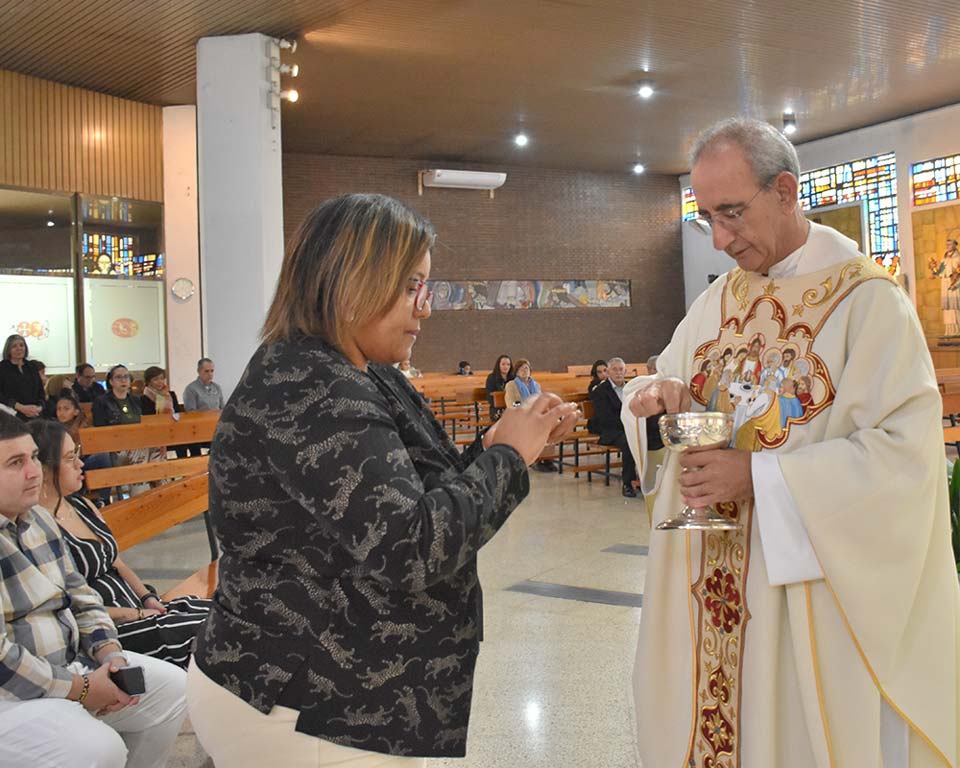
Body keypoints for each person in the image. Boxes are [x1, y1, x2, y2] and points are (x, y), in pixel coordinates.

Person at [185, 193, 578, 766]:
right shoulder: (313, 386)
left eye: (427, 287)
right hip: (308, 703)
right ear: (351, 281)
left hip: (336, 694)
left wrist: (499, 445)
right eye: (411, 286)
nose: (426, 307)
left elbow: (408, 494)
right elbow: (408, 546)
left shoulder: (353, 370)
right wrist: (506, 461)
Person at [621, 117, 960, 767]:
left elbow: (903, 458)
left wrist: (763, 479)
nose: (719, 240)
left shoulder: (867, 302)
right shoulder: (720, 299)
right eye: (706, 219)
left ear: (784, 191)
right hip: (712, 594)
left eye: (731, 214)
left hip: (803, 606)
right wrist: (657, 396)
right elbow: (673, 380)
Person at [0, 412, 188, 768]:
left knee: (173, 690)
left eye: (34, 458)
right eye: (15, 463)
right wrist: (81, 689)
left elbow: (82, 596)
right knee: (97, 748)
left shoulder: (38, 519)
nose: (33, 472)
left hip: (75, 666)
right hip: (12, 695)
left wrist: (111, 655)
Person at [29, 420, 210, 668]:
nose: (81, 464)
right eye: (71, 458)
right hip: (107, 630)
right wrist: (137, 614)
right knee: (204, 631)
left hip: (136, 607)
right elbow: (71, 608)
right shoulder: (37, 527)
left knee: (221, 611)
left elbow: (117, 561)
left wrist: (147, 598)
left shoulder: (82, 506)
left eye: (78, 454)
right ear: (45, 469)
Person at [93, 365, 156, 496]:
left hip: (137, 445)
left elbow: (145, 425)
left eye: (126, 377)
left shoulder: (136, 400)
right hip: (115, 449)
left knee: (158, 452)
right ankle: (140, 498)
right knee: (140, 453)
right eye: (119, 377)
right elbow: (100, 431)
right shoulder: (102, 402)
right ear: (111, 382)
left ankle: (163, 499)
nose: (123, 380)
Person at [587, 357, 639, 498]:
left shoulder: (631, 388)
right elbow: (606, 418)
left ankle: (643, 480)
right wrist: (629, 425)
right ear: (608, 372)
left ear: (625, 371)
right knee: (629, 442)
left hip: (630, 428)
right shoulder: (600, 391)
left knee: (649, 438)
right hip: (611, 431)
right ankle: (628, 483)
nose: (618, 373)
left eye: (621, 369)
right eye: (614, 369)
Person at [0, 334, 45, 420]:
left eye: (21, 345)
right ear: (8, 350)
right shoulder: (2, 368)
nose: (19, 348)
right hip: (12, 415)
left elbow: (41, 392)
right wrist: (20, 407)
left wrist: (39, 408)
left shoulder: (32, 366)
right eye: (14, 346)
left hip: (35, 414)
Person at [484, 354, 514, 419]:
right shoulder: (492, 378)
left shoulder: (513, 378)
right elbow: (489, 396)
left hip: (512, 408)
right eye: (503, 364)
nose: (505, 367)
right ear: (498, 365)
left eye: (508, 364)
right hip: (496, 409)